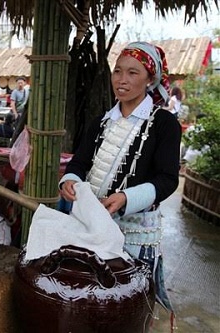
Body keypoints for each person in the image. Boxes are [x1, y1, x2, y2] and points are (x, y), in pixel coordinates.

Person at [59, 42, 181, 320]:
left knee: (126, 307)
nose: (122, 80)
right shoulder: (101, 122)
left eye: (133, 73)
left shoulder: (163, 124)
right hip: (91, 225)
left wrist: (126, 198)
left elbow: (167, 180)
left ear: (151, 79)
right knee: (91, 301)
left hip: (134, 234)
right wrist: (70, 180)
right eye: (117, 71)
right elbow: (79, 162)